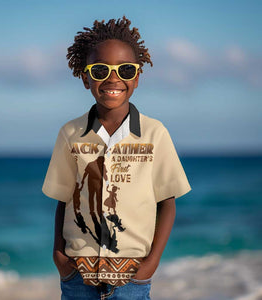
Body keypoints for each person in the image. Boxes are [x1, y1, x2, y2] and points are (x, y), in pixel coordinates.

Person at [42, 16, 191, 300]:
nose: (113, 79)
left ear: (136, 77)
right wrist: (59, 257)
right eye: (100, 70)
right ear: (85, 78)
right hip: (77, 278)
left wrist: (151, 264)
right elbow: (63, 198)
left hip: (133, 280)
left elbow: (167, 203)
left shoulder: (154, 133)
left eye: (124, 70)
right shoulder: (70, 133)